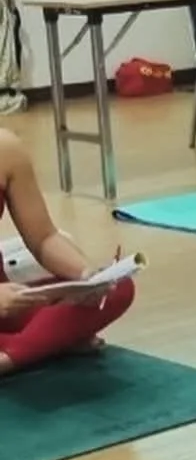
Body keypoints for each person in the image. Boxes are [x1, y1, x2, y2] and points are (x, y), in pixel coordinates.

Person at [0, 130, 135, 375]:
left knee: (119, 287)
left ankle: (17, 352)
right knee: (56, 325)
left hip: (8, 302)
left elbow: (44, 238)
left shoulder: (7, 148)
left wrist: (86, 276)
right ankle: (47, 342)